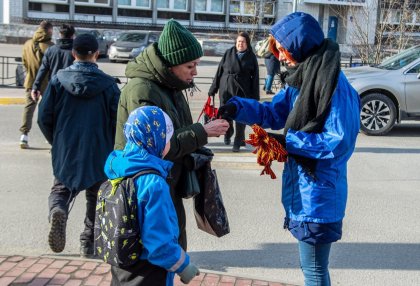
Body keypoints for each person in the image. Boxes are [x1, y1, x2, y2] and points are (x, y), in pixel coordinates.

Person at [217, 12, 361, 286]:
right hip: (304, 192)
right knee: (312, 268)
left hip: (319, 197)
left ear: (300, 46)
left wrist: (288, 142)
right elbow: (275, 112)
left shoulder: (335, 87)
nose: (280, 57)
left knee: (315, 270)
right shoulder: (303, 80)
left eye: (282, 50)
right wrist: (238, 107)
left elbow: (338, 143)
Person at [114, 19, 230, 251]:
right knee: (159, 250)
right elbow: (153, 149)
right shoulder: (143, 90)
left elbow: (174, 131)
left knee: (172, 243)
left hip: (166, 182)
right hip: (147, 187)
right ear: (171, 63)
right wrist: (202, 132)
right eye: (190, 66)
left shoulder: (169, 84)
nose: (195, 72)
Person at [37, 33, 120, 258]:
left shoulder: (57, 81)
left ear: (73, 54)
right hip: (99, 150)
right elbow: (117, 120)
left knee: (61, 189)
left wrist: (57, 141)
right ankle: (88, 243)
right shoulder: (109, 85)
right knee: (96, 196)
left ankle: (58, 210)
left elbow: (43, 117)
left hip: (67, 147)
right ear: (97, 54)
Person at [107, 106, 200, 285]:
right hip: (149, 272)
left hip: (121, 265)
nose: (169, 142)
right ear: (154, 139)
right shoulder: (153, 183)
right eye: (167, 137)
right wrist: (183, 266)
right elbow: (159, 242)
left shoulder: (118, 166)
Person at [208, 32, 260, 152]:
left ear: (247, 43)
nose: (240, 44)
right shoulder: (228, 53)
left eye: (243, 42)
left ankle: (237, 141)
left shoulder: (251, 57)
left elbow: (255, 78)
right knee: (226, 115)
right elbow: (219, 71)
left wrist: (254, 96)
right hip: (226, 88)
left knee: (241, 117)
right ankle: (228, 131)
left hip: (242, 90)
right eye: (238, 42)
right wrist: (213, 89)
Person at [19, 20, 54, 149]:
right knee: (48, 110)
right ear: (49, 30)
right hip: (47, 83)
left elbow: (24, 62)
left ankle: (24, 136)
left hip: (30, 80)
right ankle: (49, 136)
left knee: (28, 109)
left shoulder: (27, 44)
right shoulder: (51, 46)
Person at [31, 24, 76, 101]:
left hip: (54, 89)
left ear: (60, 34)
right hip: (71, 90)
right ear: (73, 36)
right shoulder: (77, 52)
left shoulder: (50, 50)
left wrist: (36, 87)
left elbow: (43, 70)